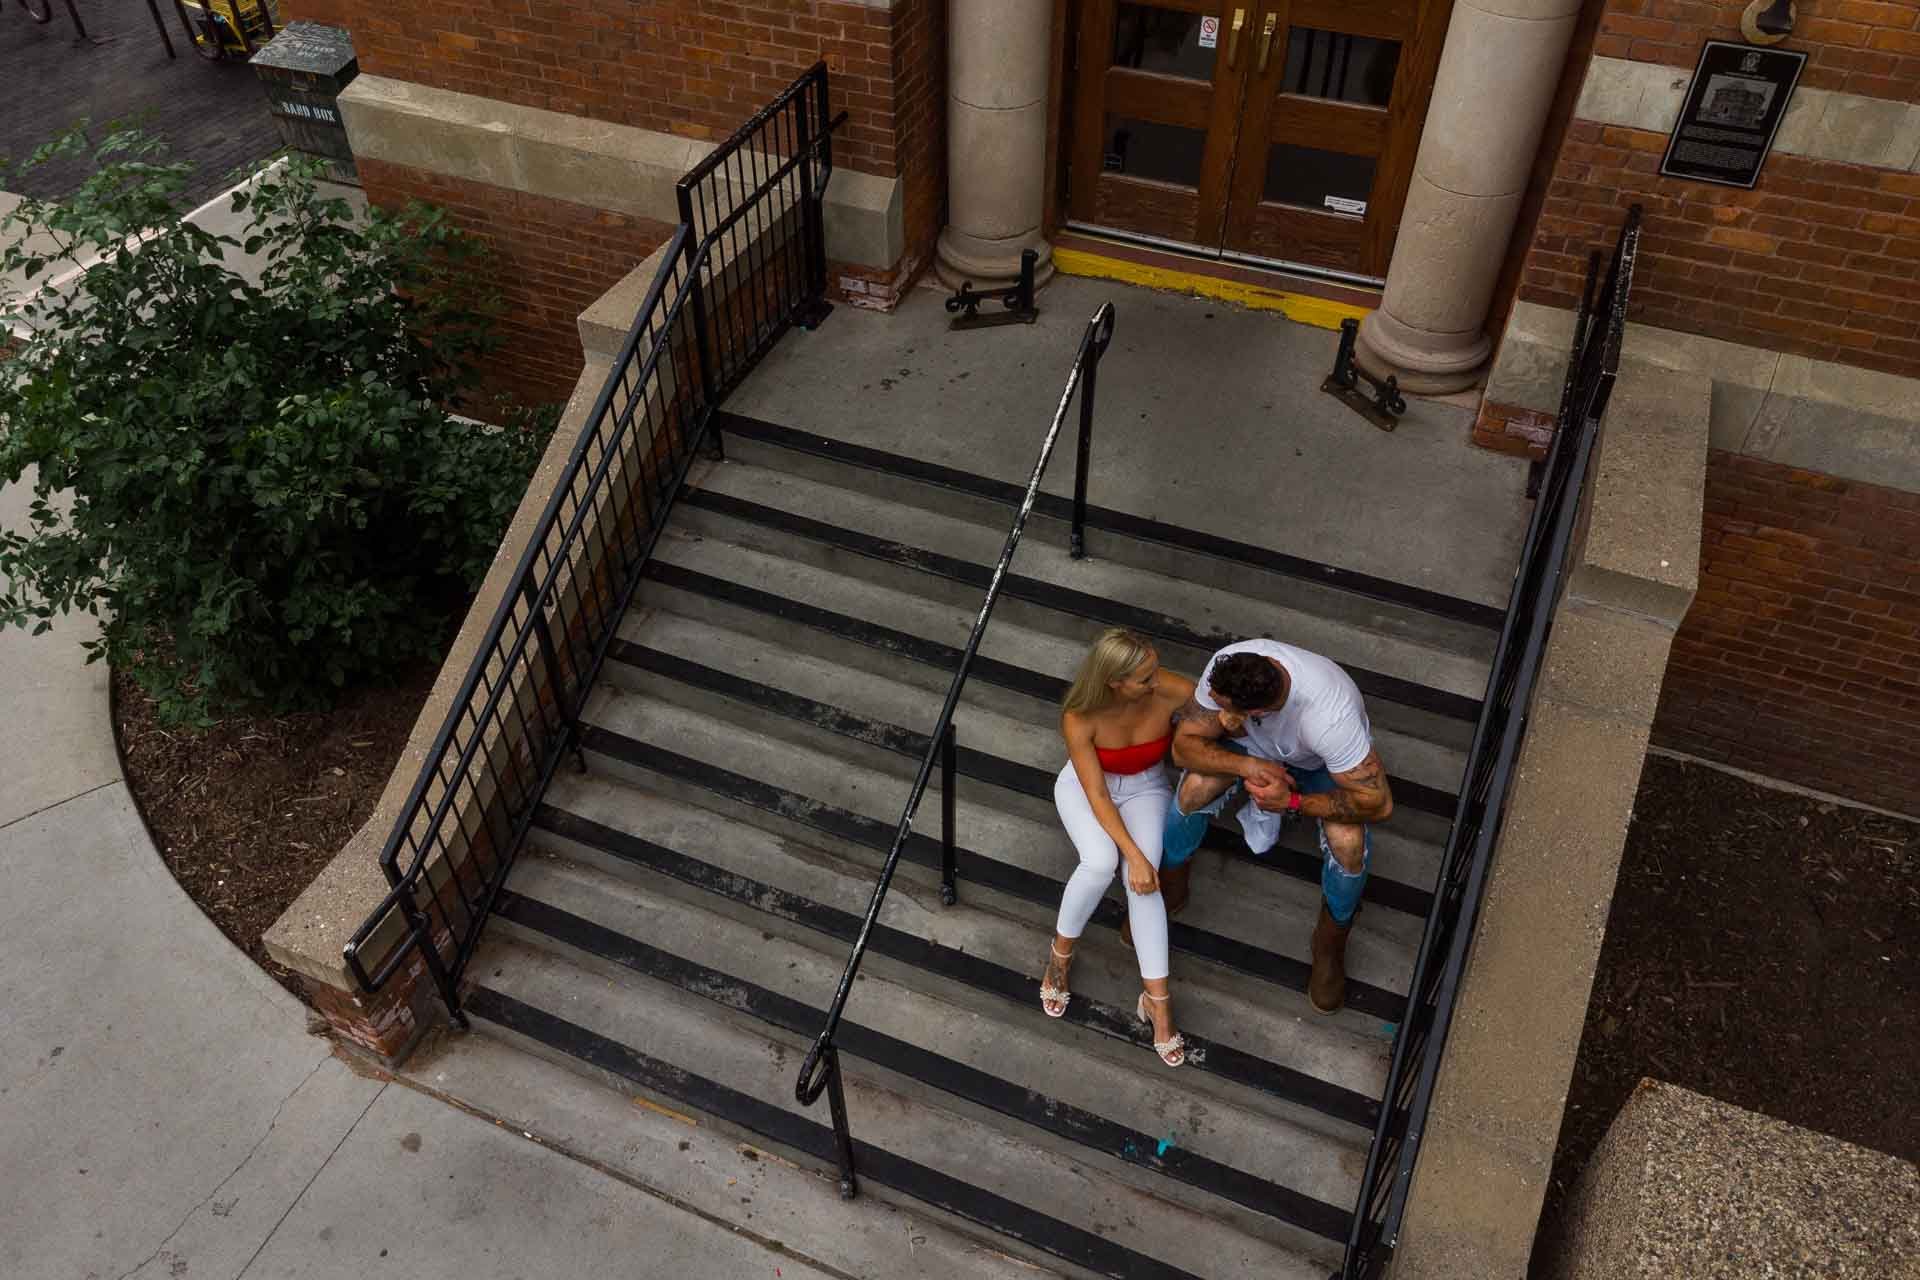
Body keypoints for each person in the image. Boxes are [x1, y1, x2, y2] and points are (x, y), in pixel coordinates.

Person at [1162, 639, 1393, 1013]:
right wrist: (1250, 766)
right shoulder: (1228, 668)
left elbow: (1379, 803)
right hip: (1255, 752)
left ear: (1256, 711)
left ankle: (1330, 940)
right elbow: (1183, 747)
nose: (1213, 704)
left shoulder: (1329, 720)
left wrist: (1293, 803)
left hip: (1320, 764)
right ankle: (1172, 878)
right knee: (1192, 791)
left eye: (1222, 706)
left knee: (1348, 845)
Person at [1041, 628, 1192, 1066]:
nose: (1156, 681)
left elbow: (1217, 716)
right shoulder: (1079, 715)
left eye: (1156, 670)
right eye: (1145, 678)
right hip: (1088, 788)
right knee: (1100, 861)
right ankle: (1059, 958)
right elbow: (1098, 795)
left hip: (1147, 786)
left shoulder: (1172, 690)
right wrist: (1136, 855)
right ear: (1115, 682)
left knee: (1142, 883)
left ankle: (1158, 1002)